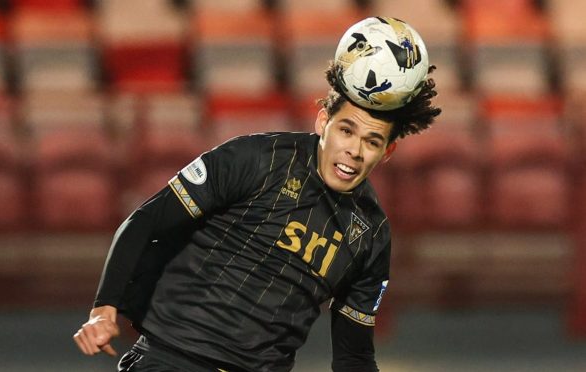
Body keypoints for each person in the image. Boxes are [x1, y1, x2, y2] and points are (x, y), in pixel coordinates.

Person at [73, 55, 440, 371]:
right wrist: (104, 308)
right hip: (172, 359)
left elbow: (353, 358)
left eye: (371, 142)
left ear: (387, 153)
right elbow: (145, 222)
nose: (354, 151)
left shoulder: (372, 235)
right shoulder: (254, 159)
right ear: (323, 122)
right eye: (346, 131)